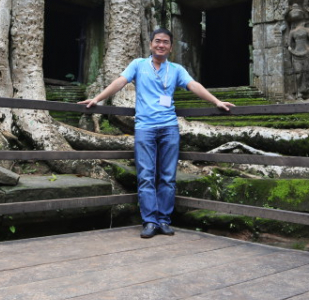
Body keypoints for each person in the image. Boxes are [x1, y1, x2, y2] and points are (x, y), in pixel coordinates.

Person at [79, 28, 235, 238]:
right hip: (145, 128)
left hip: (169, 128)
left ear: (171, 47)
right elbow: (120, 82)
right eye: (157, 41)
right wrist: (97, 99)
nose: (161, 45)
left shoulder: (176, 69)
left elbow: (193, 85)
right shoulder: (138, 65)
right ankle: (150, 221)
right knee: (146, 176)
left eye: (166, 42)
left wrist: (216, 101)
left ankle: (164, 219)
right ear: (151, 44)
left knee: (168, 177)